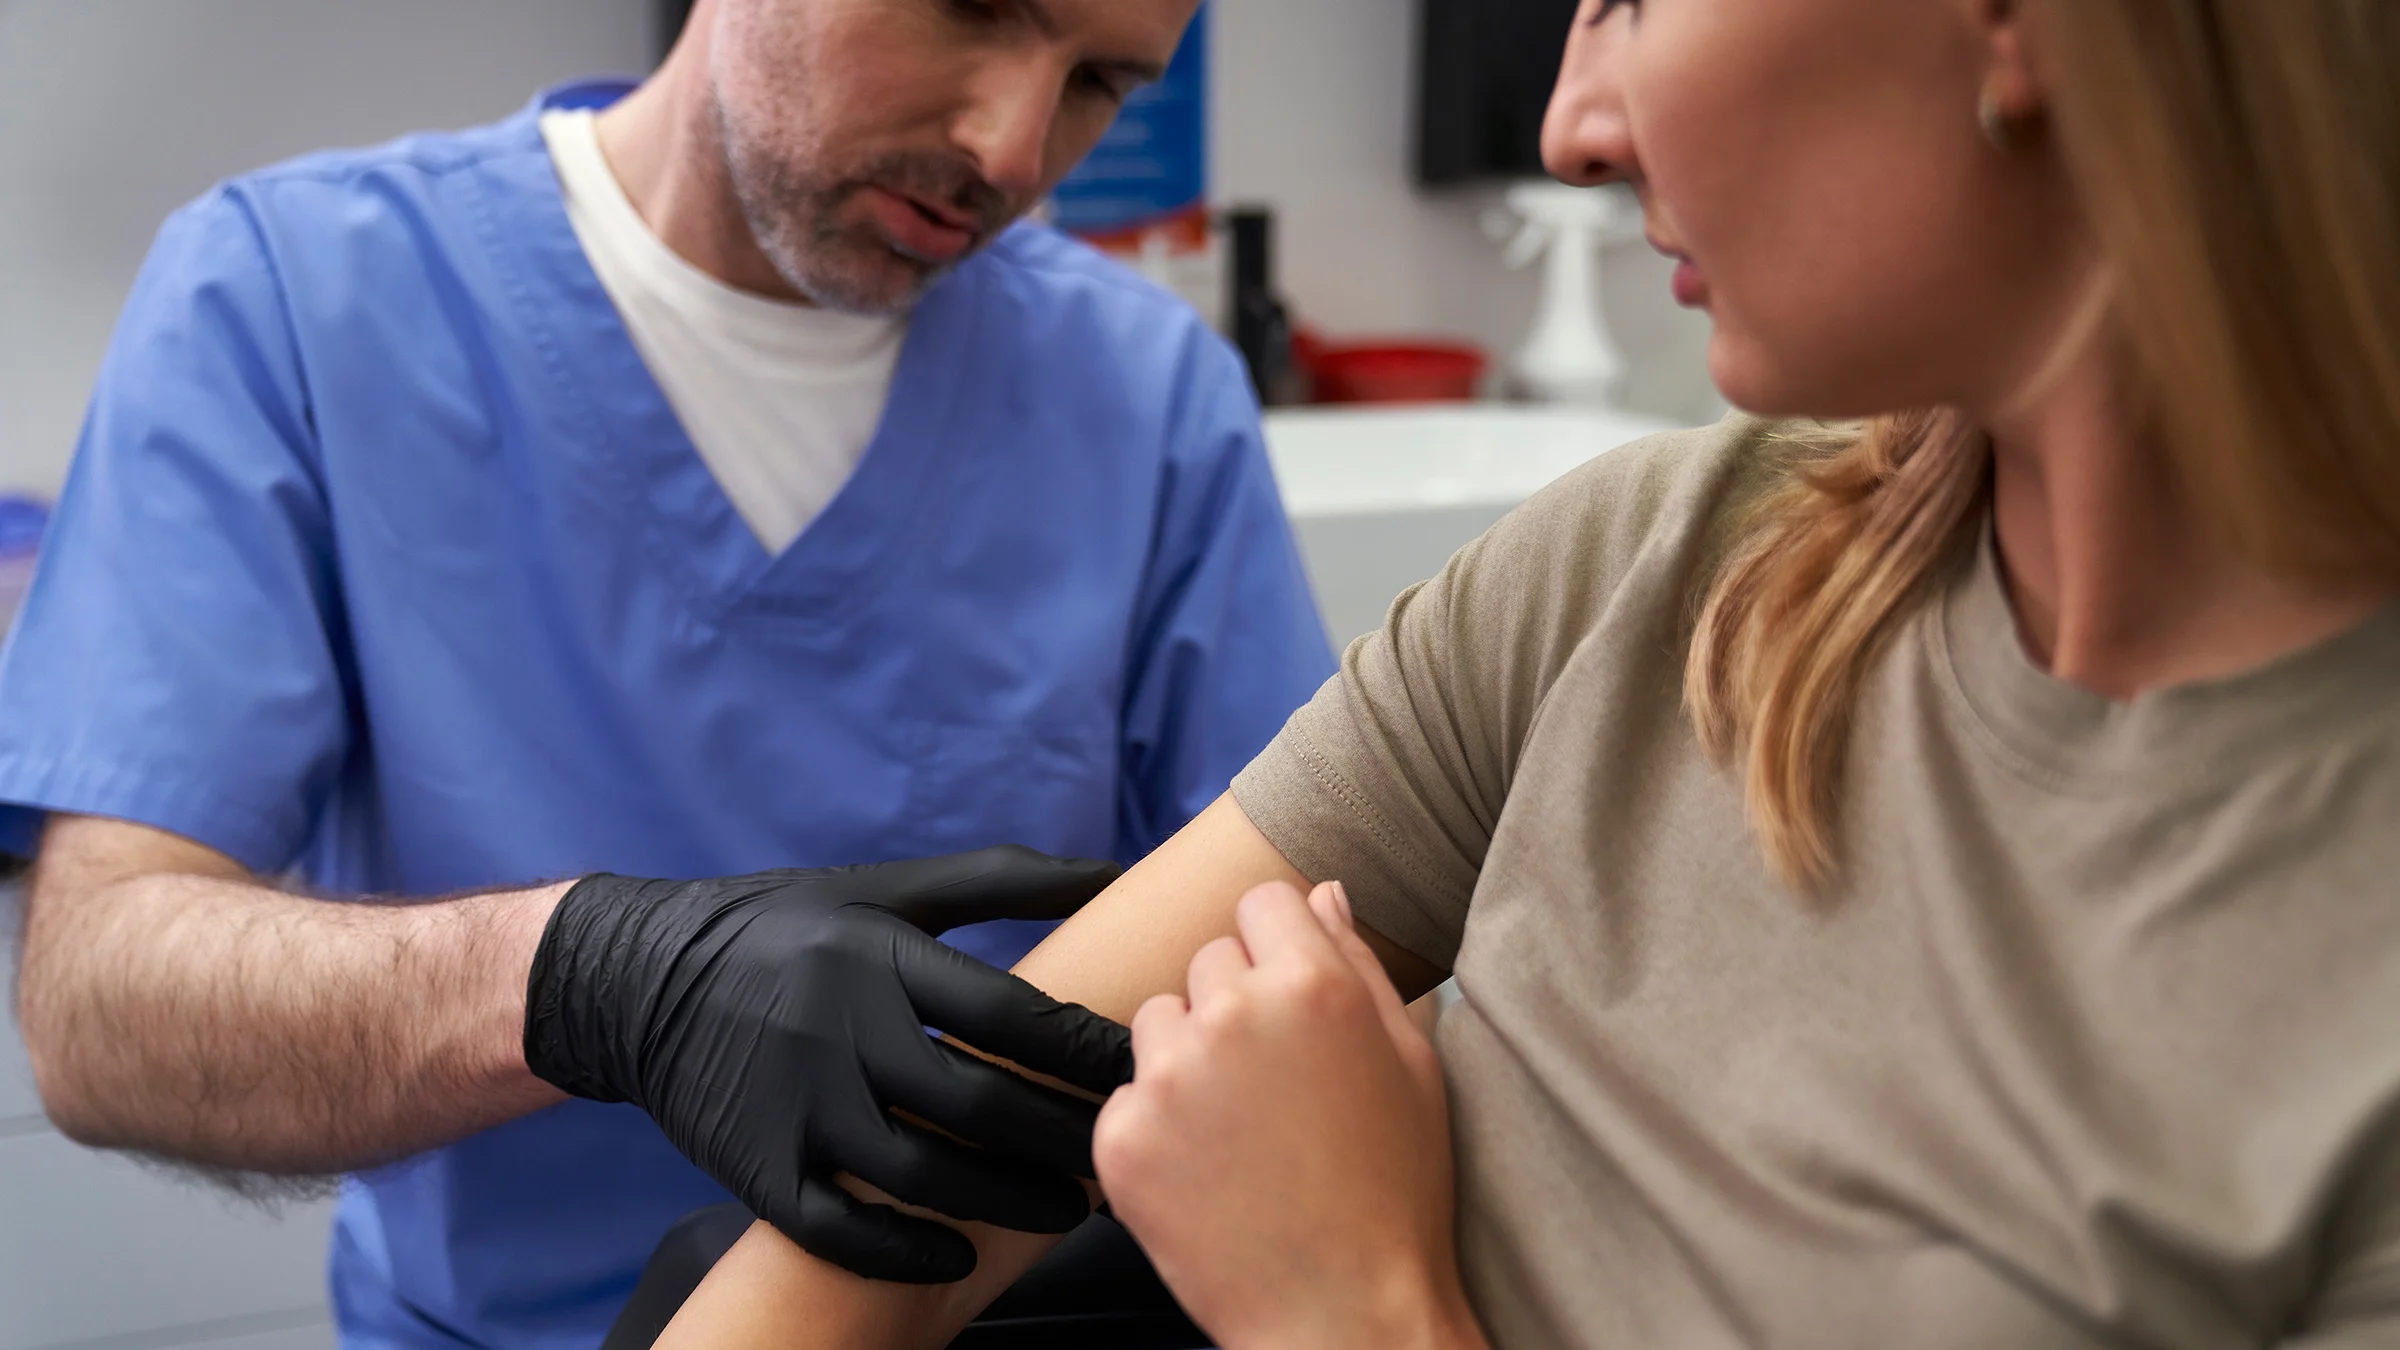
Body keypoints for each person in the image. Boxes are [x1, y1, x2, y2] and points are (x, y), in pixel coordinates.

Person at [636, 0, 2400, 1343]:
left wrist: (1347, 1296)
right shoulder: (1647, 569)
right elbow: (896, 1211)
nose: (1569, 127)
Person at [0, 0, 1335, 1343]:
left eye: (1101, 80)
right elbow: (101, 1002)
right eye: (969, 8)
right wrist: (588, 979)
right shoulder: (292, 297)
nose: (1011, 147)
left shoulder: (1147, 397)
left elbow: (1306, 973)